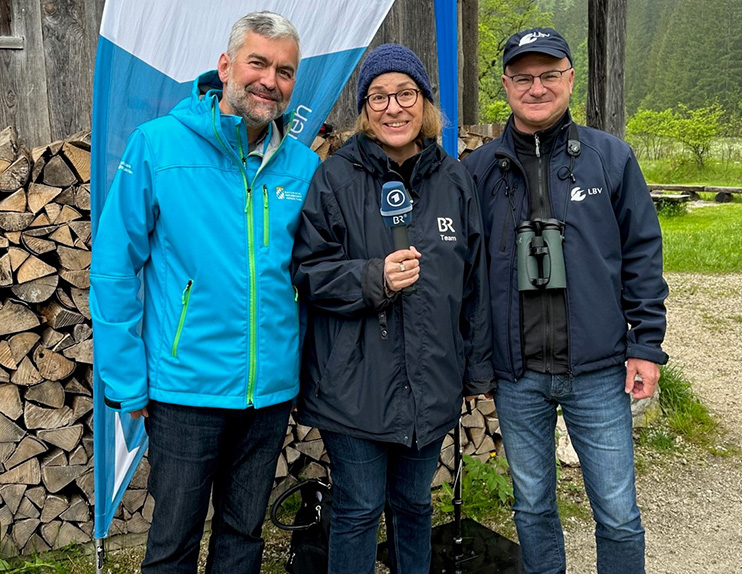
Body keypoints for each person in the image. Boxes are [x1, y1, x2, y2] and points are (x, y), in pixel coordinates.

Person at [90, 12, 321, 574]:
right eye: (258, 63)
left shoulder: (304, 164)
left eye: (285, 71)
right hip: (185, 389)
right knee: (172, 543)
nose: (270, 80)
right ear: (226, 66)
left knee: (243, 537)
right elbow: (116, 266)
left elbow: (312, 276)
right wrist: (125, 379)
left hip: (268, 393)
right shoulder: (159, 145)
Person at [463, 28, 668, 574]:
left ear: (569, 79)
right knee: (531, 507)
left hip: (599, 369)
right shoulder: (478, 171)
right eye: (523, 77)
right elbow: (461, 272)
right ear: (505, 85)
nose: (537, 88)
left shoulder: (610, 158)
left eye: (549, 75)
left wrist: (645, 345)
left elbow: (643, 253)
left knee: (619, 514)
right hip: (518, 373)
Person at [291, 44, 496, 574]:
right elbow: (308, 274)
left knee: (415, 505)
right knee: (358, 510)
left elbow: (474, 285)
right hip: (353, 385)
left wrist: (473, 368)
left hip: (431, 384)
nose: (393, 107)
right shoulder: (334, 178)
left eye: (406, 93)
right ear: (365, 110)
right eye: (378, 96)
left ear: (425, 104)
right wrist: (371, 277)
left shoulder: (454, 180)